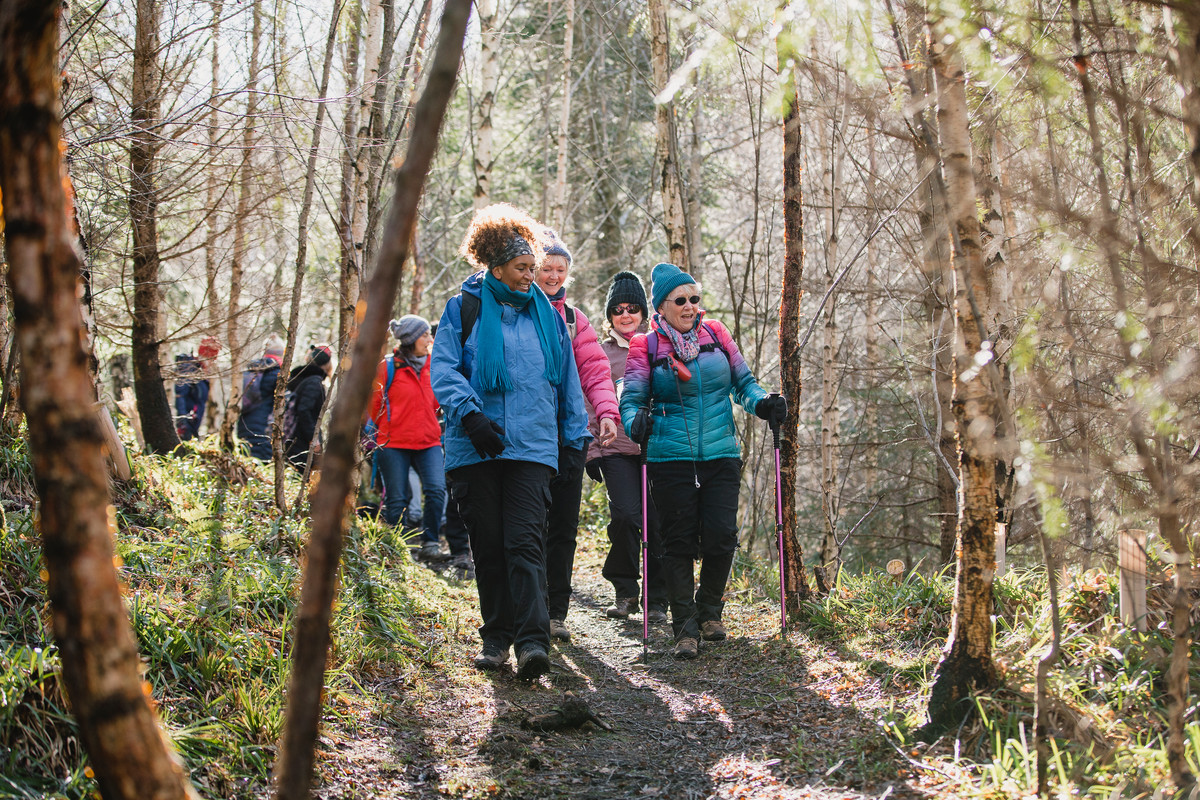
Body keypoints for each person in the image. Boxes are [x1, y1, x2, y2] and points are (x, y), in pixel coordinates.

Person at [431, 203, 590, 680]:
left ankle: (532, 642)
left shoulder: (548, 317)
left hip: (533, 447)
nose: (531, 276)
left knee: (525, 542)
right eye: (522, 268)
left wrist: (573, 437)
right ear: (496, 266)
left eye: (533, 267)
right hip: (475, 447)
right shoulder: (465, 308)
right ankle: (496, 637)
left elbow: (566, 381)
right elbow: (443, 369)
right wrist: (471, 414)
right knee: (490, 545)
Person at [619, 262, 787, 660]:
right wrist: (634, 422)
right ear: (662, 306)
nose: (691, 305)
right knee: (677, 542)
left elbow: (743, 383)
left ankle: (711, 610)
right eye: (682, 299)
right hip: (669, 456)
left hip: (721, 453)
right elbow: (631, 399)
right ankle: (684, 627)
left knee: (721, 535)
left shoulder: (718, 334)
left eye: (695, 298)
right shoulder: (647, 346)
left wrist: (763, 403)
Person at [535, 229, 619, 642]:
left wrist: (605, 412)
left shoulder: (574, 319)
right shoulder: (518, 312)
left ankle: (556, 613)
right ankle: (530, 608)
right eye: (546, 268)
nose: (553, 275)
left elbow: (596, 372)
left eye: (560, 269)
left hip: (570, 435)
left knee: (564, 527)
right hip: (527, 437)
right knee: (531, 525)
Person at [585, 271, 668, 623]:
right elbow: (589, 400)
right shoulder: (600, 353)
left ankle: (658, 599)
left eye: (632, 308)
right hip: (614, 447)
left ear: (643, 312)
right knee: (624, 515)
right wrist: (590, 450)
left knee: (658, 522)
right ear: (610, 315)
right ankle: (624, 589)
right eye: (618, 309)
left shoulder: (658, 346)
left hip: (657, 450)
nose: (625, 315)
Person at [368, 315, 449, 565]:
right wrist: (391, 426)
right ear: (412, 339)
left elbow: (438, 403)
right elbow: (373, 405)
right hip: (393, 444)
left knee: (437, 490)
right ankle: (398, 548)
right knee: (397, 498)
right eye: (425, 335)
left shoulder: (434, 366)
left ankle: (430, 543)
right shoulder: (387, 367)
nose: (429, 339)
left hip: (429, 442)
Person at [284, 343, 332, 470]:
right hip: (301, 441)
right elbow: (304, 410)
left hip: (291, 437)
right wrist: (314, 438)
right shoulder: (314, 383)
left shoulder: (299, 379)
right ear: (327, 364)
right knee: (301, 475)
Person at [238, 334, 284, 460]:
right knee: (261, 464)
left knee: (246, 462)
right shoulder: (278, 375)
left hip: (244, 425)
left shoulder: (251, 371)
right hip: (264, 430)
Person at [174, 353, 210, 441]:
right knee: (187, 436)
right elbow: (180, 395)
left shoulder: (196, 369)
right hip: (190, 412)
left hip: (193, 411)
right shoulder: (187, 369)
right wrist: (183, 417)